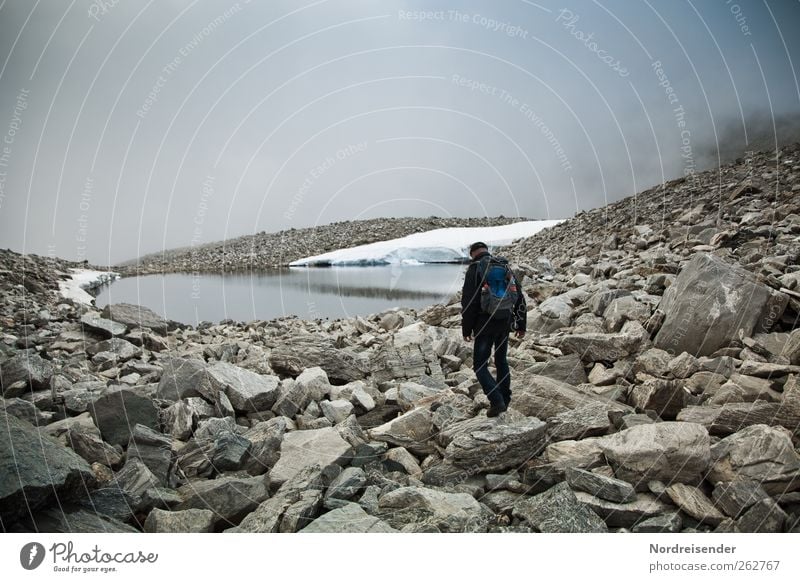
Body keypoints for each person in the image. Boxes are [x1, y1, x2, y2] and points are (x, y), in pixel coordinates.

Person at [461, 241, 527, 417]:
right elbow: (519, 296)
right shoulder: (504, 266)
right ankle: (505, 398)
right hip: (504, 322)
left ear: (473, 253)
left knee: (480, 365)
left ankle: (496, 401)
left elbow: (469, 302)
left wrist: (466, 330)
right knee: (501, 360)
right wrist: (521, 324)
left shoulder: (475, 269)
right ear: (486, 251)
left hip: (484, 324)